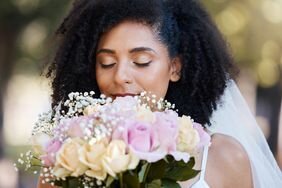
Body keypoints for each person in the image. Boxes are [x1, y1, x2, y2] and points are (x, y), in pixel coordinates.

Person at [39, 0, 282, 187]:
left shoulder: (225, 156)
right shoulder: (68, 159)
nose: (120, 75)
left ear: (174, 67)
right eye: (106, 62)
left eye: (141, 61)